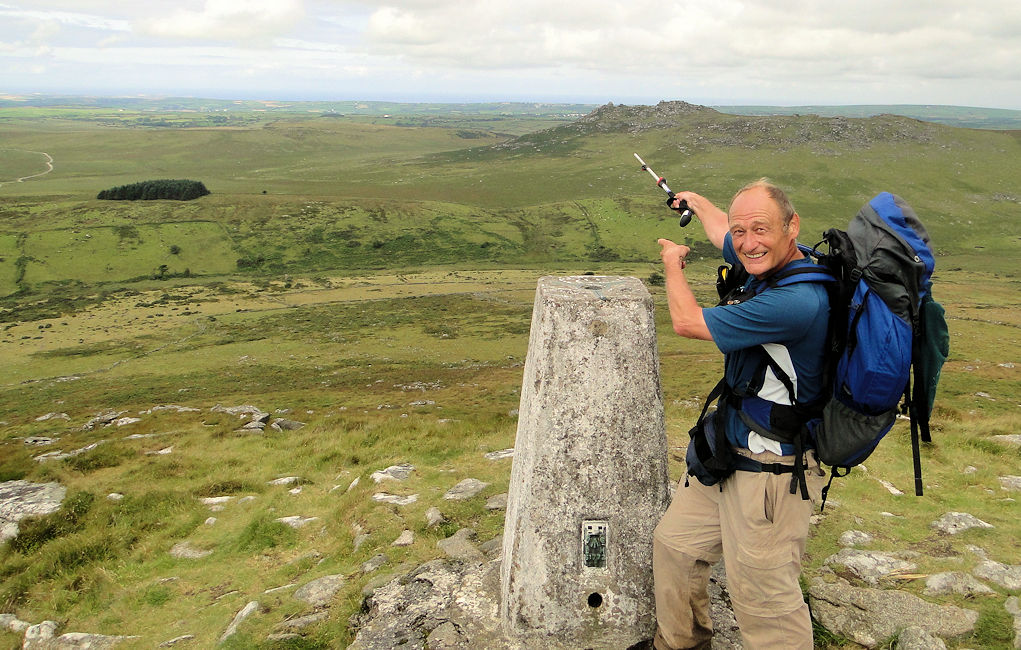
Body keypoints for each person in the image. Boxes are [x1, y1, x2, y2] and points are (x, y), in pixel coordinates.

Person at [652, 179, 829, 650]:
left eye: (761, 230)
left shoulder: (794, 301)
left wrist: (672, 265)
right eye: (741, 231)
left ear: (792, 227)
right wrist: (696, 202)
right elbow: (720, 234)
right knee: (676, 549)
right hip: (728, 454)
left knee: (764, 601)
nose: (748, 243)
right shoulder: (772, 262)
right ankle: (681, 644)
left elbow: (687, 323)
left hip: (769, 476)